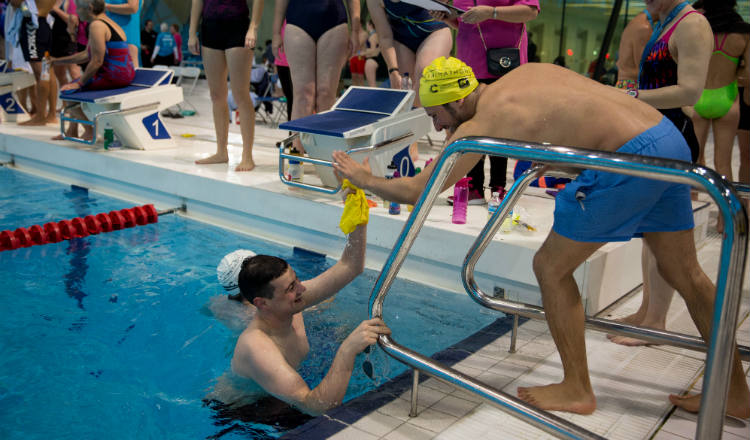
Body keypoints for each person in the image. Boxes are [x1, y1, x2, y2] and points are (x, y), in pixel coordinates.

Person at [331, 56, 750, 418]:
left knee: (549, 267)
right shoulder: (522, 75)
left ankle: (577, 388)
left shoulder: (484, 122)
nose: (436, 124)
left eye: (437, 113)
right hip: (668, 140)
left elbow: (419, 191)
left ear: (458, 100)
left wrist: (363, 178)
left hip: (629, 158)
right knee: (686, 272)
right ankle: (734, 393)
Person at [229, 188, 391, 416]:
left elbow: (350, 267)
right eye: (291, 288)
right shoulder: (257, 347)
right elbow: (315, 407)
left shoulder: (290, 304)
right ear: (262, 303)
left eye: (296, 280)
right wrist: (347, 350)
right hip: (247, 415)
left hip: (282, 396)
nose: (303, 289)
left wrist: (357, 215)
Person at [608, 0, 713, 347]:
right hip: (656, 133)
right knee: (652, 232)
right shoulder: (665, 22)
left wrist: (635, 96)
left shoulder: (692, 24)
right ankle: (648, 312)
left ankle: (656, 321)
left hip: (675, 137)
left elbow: (691, 92)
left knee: (665, 236)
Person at [431, 0, 539, 205]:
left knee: (499, 124)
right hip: (470, 59)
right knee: (469, 123)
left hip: (505, 60)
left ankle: (498, 186)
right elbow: (467, 21)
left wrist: (492, 12)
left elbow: (530, 11)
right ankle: (473, 187)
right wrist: (448, 18)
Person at [272, 0, 361, 154]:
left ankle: (325, 156)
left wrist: (355, 31)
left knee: (326, 94)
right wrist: (275, 32)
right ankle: (296, 157)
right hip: (298, 20)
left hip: (334, 21)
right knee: (303, 94)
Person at [690, 0, 750, 225]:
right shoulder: (743, 34)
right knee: (723, 163)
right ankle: (726, 220)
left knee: (696, 160)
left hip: (699, 96)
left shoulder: (699, 28)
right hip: (727, 98)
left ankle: (695, 210)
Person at [368, 0, 451, 161]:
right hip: (402, 39)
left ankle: (452, 133)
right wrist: (393, 71)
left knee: (426, 76)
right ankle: (410, 142)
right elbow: (385, 38)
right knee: (406, 90)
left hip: (434, 31)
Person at [189, 0, 262, 172]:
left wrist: (253, 27)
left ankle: (247, 155)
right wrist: (192, 32)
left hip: (237, 26)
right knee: (216, 95)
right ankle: (221, 152)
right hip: (210, 27)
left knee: (240, 94)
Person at [51, 0, 135, 141]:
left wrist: (80, 84)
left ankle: (90, 130)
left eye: (78, 8)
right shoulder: (106, 22)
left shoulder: (97, 25)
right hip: (122, 74)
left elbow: (96, 61)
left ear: (89, 8)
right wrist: (58, 61)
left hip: (115, 76)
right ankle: (72, 130)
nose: (76, 12)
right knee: (74, 85)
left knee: (68, 90)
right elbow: (86, 54)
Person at [18, 0, 57, 126]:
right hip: (44, 24)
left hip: (32, 28)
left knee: (41, 73)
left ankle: (40, 116)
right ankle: (51, 115)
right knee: (47, 70)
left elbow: (15, 2)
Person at [50, 0, 80, 88]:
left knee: (75, 74)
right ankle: (66, 101)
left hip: (69, 42)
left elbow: (73, 21)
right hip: (54, 43)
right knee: (61, 77)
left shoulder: (69, 2)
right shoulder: (48, 2)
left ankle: (81, 98)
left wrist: (56, 9)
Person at [104, 0, 140, 68]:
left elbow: (133, 7)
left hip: (126, 35)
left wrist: (105, 6)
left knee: (129, 71)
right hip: (109, 33)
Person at [274, 21, 293, 122]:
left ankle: (301, 133)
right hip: (282, 59)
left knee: (299, 98)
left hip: (300, 58)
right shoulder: (283, 12)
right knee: (291, 98)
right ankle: (293, 134)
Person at [363, 18, 379, 88]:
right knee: (372, 84)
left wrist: (363, 53)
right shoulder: (374, 35)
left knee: (372, 85)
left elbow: (374, 51)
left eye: (366, 24)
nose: (366, 26)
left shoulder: (373, 36)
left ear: (370, 25)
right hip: (372, 59)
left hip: (372, 60)